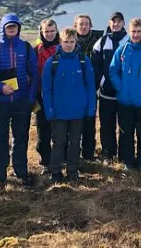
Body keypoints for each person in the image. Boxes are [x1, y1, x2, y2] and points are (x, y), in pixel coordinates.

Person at [0, 14, 39, 189]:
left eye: (14, 26)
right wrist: (0, 88)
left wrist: (30, 98)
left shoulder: (25, 47)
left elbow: (34, 74)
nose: (11, 29)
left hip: (20, 102)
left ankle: (21, 171)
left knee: (21, 138)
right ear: (3, 28)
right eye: (8, 26)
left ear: (18, 28)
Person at [42, 28, 97, 183]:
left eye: (72, 42)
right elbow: (46, 89)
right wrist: (49, 110)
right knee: (58, 143)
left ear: (76, 42)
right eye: (66, 42)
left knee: (75, 143)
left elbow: (90, 86)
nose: (68, 45)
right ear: (60, 42)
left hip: (78, 111)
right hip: (59, 112)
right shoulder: (52, 62)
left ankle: (73, 171)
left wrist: (90, 108)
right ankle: (56, 172)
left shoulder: (83, 61)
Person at [110, 18, 141, 171]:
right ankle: (128, 162)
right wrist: (120, 86)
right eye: (133, 31)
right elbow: (113, 70)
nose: (136, 35)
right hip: (125, 100)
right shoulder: (122, 49)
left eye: (139, 31)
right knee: (126, 133)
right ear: (129, 31)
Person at [93, 12, 128, 162]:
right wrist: (101, 81)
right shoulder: (101, 42)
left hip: (124, 93)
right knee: (107, 125)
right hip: (106, 92)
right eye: (113, 22)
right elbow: (95, 65)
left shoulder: (129, 40)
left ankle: (124, 155)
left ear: (123, 23)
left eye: (119, 21)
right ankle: (108, 153)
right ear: (109, 23)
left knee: (125, 126)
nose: (116, 24)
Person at [74, 14, 104, 161]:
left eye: (86, 24)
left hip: (92, 88)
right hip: (74, 89)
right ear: (75, 27)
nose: (83, 27)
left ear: (91, 26)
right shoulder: (69, 42)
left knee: (89, 121)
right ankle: (74, 153)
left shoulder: (99, 40)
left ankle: (88, 154)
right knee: (74, 122)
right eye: (80, 24)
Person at [34, 19, 60, 170]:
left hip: (60, 95)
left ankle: (60, 158)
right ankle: (45, 160)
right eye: (46, 31)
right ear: (41, 32)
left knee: (60, 129)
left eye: (52, 31)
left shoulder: (64, 48)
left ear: (57, 31)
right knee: (43, 129)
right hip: (41, 96)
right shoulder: (35, 50)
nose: (49, 34)